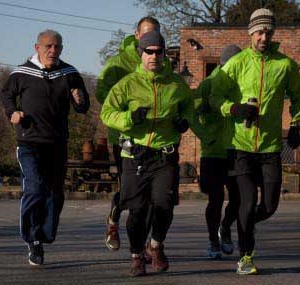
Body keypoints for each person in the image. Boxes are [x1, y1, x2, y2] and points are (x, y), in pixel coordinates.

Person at [210, 8, 300, 275]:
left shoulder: (284, 65)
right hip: (240, 146)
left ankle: (233, 224)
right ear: (251, 33)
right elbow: (215, 96)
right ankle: (246, 257)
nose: (264, 37)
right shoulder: (237, 63)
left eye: (268, 32)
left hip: (270, 146)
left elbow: (299, 96)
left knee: (269, 206)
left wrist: (296, 124)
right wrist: (234, 109)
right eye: (259, 32)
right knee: (248, 202)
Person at [100, 30, 204, 276]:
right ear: (140, 53)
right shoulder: (127, 85)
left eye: (159, 52)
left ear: (164, 53)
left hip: (164, 154)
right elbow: (107, 113)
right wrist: (129, 117)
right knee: (137, 211)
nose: (154, 56)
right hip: (135, 155)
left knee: (164, 204)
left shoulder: (176, 84)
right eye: (149, 51)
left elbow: (189, 106)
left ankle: (155, 245)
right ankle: (136, 255)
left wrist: (184, 120)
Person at [1, 29, 89, 266]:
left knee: (55, 194)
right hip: (29, 142)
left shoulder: (69, 73)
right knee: (34, 187)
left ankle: (45, 235)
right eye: (48, 46)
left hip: (57, 143)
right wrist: (13, 112)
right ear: (37, 47)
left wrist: (80, 100)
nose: (53, 51)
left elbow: (83, 105)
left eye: (57, 47)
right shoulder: (21, 73)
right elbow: (6, 96)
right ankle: (32, 239)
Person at [96, 16, 161, 251]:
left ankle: (142, 245)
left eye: (155, 34)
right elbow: (102, 94)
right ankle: (113, 221)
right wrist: (129, 113)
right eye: (146, 34)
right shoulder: (118, 63)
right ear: (136, 35)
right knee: (130, 192)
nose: (150, 40)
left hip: (155, 139)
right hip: (125, 137)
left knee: (152, 194)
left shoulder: (163, 62)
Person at [194, 45, 242, 260]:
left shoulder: (242, 84)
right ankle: (213, 240)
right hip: (212, 151)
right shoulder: (207, 85)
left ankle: (226, 226)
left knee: (239, 199)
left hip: (237, 149)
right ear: (223, 64)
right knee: (215, 199)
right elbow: (191, 113)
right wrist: (206, 135)